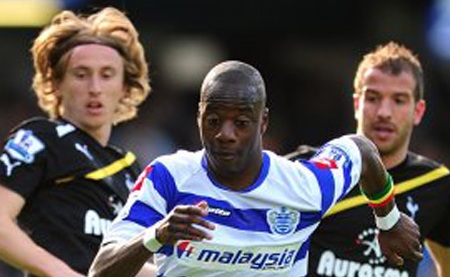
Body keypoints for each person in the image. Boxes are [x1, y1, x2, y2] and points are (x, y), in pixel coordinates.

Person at [88, 60, 423, 277]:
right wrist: (155, 235)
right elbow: (101, 271)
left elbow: (361, 150)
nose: (225, 134)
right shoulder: (168, 178)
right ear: (199, 118)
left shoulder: (306, 186)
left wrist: (388, 220)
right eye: (214, 120)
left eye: (242, 122)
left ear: (263, 122)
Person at [0, 7, 154, 276]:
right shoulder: (40, 139)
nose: (94, 87)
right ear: (56, 83)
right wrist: (61, 273)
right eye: (81, 74)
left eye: (107, 75)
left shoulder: (130, 169)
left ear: (125, 87)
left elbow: (132, 265)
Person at [286, 42, 450, 276]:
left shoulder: (436, 184)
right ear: (356, 104)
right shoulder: (309, 171)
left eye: (399, 100)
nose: (384, 111)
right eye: (373, 98)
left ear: (419, 111)